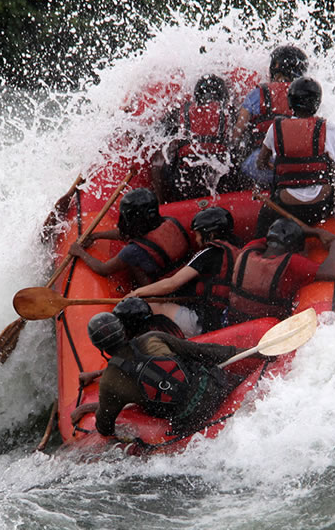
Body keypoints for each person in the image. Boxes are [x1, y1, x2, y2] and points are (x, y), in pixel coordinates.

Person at [70, 311, 254, 438]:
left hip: (190, 418)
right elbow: (201, 351)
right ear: (123, 331)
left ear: (99, 347)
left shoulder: (110, 381)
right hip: (215, 389)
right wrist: (251, 352)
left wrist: (93, 411)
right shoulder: (153, 338)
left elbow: (104, 427)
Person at [127, 206, 241, 335]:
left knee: (149, 306)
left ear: (211, 234)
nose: (197, 240)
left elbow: (171, 284)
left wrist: (137, 293)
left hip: (203, 325)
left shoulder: (209, 253)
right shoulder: (239, 250)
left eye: (198, 235)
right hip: (225, 321)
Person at [253, 76, 335, 237]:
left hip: (287, 206)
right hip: (320, 206)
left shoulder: (276, 127)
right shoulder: (328, 128)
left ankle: (257, 250)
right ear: (317, 103)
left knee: (264, 217)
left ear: (290, 102)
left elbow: (261, 163)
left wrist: (283, 170)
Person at [227, 218, 335, 324]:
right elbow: (329, 272)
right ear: (293, 247)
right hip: (267, 327)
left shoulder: (249, 250)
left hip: (232, 321)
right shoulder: (291, 262)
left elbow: (274, 238)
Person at [68, 188, 191, 286]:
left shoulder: (133, 251)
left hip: (162, 290)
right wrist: (96, 236)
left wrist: (79, 252)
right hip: (186, 277)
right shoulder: (170, 221)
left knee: (133, 262)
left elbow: (103, 269)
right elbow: (127, 234)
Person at [229, 45, 309, 188]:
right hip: (297, 168)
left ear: (274, 71)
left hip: (262, 166)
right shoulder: (306, 96)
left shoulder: (258, 94)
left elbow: (237, 133)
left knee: (242, 163)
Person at [151, 74, 234, 202]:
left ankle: (161, 203)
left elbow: (154, 134)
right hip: (222, 183)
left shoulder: (178, 112)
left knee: (158, 162)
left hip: (187, 184)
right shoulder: (231, 111)